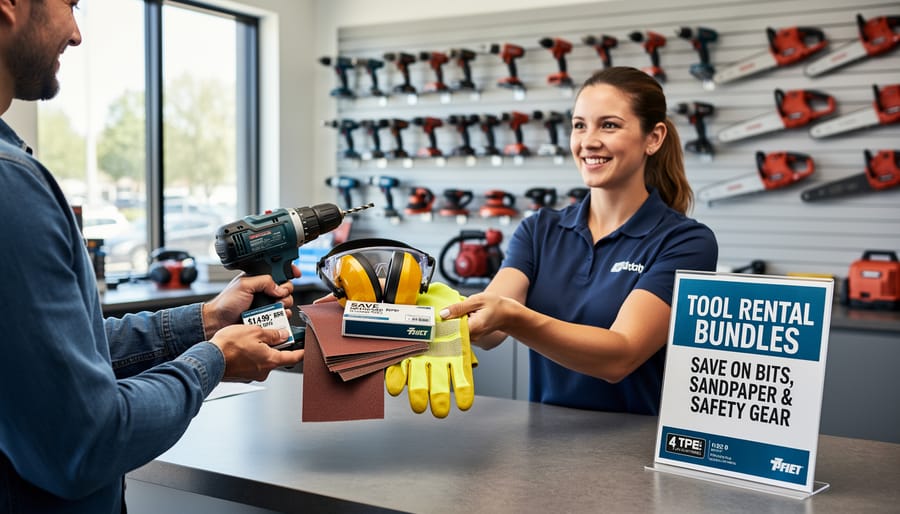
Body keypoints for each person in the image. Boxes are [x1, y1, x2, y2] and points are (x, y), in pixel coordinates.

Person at [0, 1, 303, 512]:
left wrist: (204, 320)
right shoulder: (10, 187)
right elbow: (87, 443)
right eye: (70, 4)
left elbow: (56, 354)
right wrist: (214, 360)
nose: (76, 34)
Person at [441, 66, 718, 415]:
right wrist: (423, 313)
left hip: (636, 443)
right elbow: (490, 330)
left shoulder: (686, 242)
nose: (588, 141)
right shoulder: (539, 230)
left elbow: (621, 356)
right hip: (545, 439)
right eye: (579, 125)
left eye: (609, 125)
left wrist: (513, 318)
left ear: (654, 138)